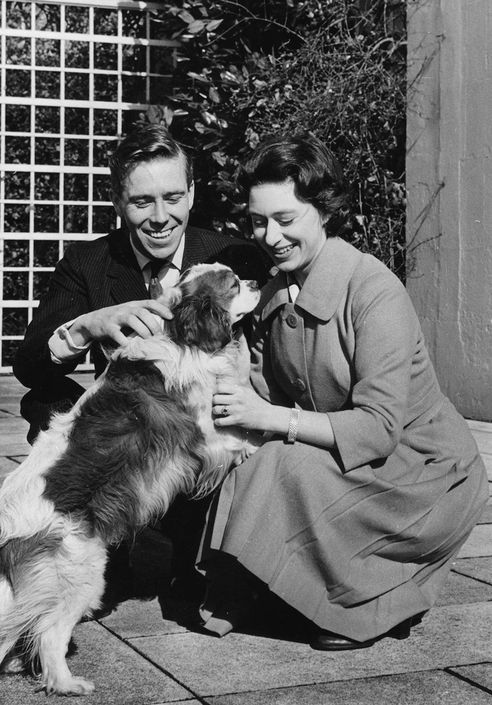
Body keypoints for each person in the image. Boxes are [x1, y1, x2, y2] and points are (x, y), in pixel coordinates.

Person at [197, 132, 488, 649]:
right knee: (254, 460)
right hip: (348, 455)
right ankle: (280, 584)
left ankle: (372, 602)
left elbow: (377, 429)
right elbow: (264, 390)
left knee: (283, 461)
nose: (270, 236)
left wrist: (270, 418)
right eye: (258, 221)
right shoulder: (272, 292)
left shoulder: (375, 292)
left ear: (324, 210)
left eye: (286, 220)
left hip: (421, 471)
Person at [13, 124, 270, 596]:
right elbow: (29, 365)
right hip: (128, 444)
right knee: (46, 400)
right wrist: (87, 325)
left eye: (172, 196)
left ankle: (202, 548)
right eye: (141, 201)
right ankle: (89, 538)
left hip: (203, 433)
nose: (160, 217)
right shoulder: (88, 263)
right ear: (117, 201)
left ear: (192, 194)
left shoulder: (232, 257)